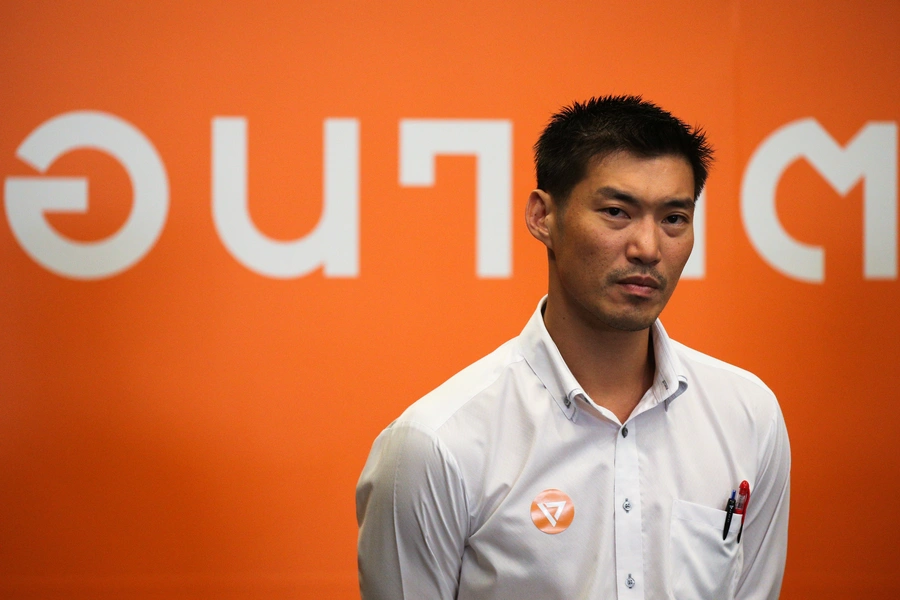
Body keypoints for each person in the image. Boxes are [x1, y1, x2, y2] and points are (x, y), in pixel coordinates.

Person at [356, 96, 790, 600]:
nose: (648, 247)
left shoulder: (748, 414)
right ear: (543, 217)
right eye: (616, 212)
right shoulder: (436, 443)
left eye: (674, 218)